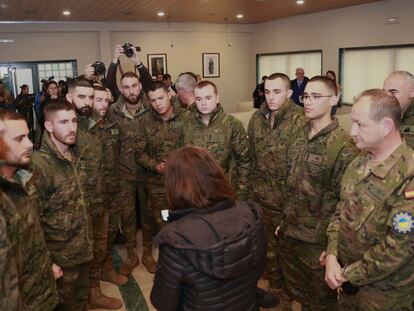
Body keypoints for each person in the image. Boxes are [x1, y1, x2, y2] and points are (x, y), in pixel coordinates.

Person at [324, 89, 414, 311]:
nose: (352, 131)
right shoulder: (358, 163)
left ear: (386, 126)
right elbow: (340, 212)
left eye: (360, 124)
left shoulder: (408, 175)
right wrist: (333, 255)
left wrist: (345, 274)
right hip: (346, 284)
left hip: (383, 296)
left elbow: (398, 249)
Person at [150, 146, 267, 311]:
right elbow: (258, 270)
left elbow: (163, 303)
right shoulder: (251, 214)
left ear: (174, 185)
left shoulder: (176, 239)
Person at [279, 76, 357, 311]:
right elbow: (290, 183)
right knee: (297, 294)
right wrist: (284, 221)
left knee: (321, 303)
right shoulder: (297, 135)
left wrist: (333, 248)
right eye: (305, 97)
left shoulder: (343, 146)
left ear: (334, 99)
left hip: (318, 244)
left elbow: (345, 204)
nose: (308, 102)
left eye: (316, 97)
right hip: (291, 234)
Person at [32, 100, 93, 310]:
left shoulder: (76, 156)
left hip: (83, 252)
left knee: (81, 301)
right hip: (61, 260)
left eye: (74, 121)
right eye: (64, 122)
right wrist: (48, 262)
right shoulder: (39, 166)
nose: (72, 127)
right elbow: (33, 223)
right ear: (48, 126)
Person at [248, 72, 305, 299]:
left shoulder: (301, 120)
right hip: (262, 199)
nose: (270, 97)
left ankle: (290, 297)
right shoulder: (257, 119)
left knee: (290, 254)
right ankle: (275, 290)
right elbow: (251, 159)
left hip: (287, 202)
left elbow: (299, 170)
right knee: (268, 249)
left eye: (277, 92)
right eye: (267, 91)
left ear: (289, 93)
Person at [0, 111, 61, 310]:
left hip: (41, 290)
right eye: (19, 139)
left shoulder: (23, 179)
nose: (29, 144)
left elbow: (33, 234)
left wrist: (47, 265)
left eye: (27, 136)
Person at [135, 81, 187, 273]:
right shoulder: (144, 121)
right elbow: (139, 153)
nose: (157, 103)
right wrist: (156, 166)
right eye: (153, 100)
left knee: (179, 220)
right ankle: (149, 255)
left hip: (181, 183)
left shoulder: (186, 118)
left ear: (170, 95)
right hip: (155, 183)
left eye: (161, 98)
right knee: (154, 219)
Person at [107, 71, 150, 274]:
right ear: (121, 89)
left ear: (140, 86)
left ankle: (148, 253)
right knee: (128, 216)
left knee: (149, 215)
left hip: (149, 174)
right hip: (123, 174)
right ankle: (132, 255)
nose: (131, 90)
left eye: (134, 85)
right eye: (126, 87)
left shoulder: (152, 107)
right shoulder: (113, 110)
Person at [183, 80, 251, 200]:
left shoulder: (232, 124)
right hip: (196, 191)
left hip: (224, 191)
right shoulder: (187, 124)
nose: (203, 103)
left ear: (217, 98)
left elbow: (244, 161)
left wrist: (242, 194)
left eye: (208, 98)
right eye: (199, 99)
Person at [89, 85, 128, 289]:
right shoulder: (81, 127)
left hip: (113, 190)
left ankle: (107, 269)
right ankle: (93, 285)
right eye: (98, 100)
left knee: (111, 233)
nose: (103, 104)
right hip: (93, 194)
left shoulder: (111, 124)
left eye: (106, 100)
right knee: (96, 239)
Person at [383, 70, 414, 148]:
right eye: (384, 92)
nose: (387, 97)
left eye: (393, 92)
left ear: (412, 92)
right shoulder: (386, 110)